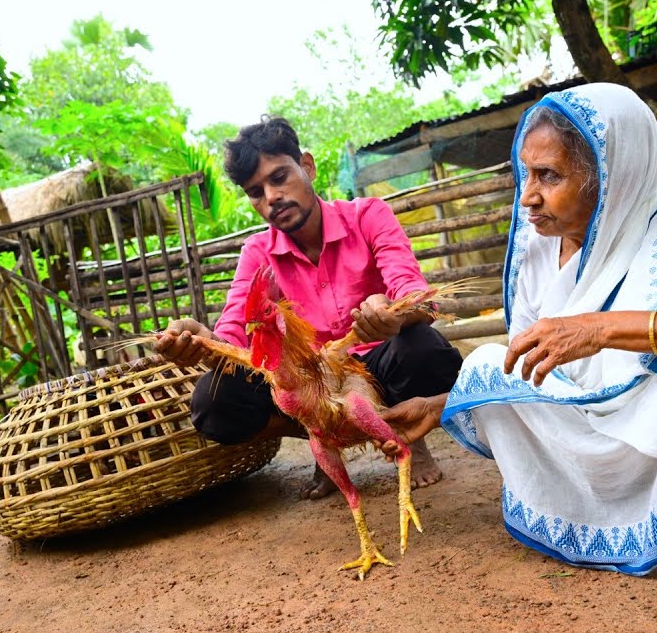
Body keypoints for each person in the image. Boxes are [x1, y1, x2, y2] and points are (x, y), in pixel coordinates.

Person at [379, 83, 657, 633]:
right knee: (483, 365)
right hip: (597, 422)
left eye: (550, 177)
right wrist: (439, 404)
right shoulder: (539, 247)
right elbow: (540, 362)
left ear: (610, 177)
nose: (527, 197)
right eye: (525, 175)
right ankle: (597, 516)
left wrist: (607, 330)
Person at [154, 116, 462, 495]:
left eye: (279, 177)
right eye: (255, 191)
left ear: (308, 166)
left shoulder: (368, 216)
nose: (270, 198)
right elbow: (236, 334)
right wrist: (204, 342)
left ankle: (409, 437)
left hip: (378, 362)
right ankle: (324, 440)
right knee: (214, 400)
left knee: (424, 349)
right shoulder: (257, 253)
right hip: (309, 384)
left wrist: (393, 314)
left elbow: (417, 296)